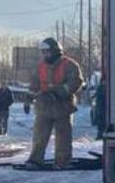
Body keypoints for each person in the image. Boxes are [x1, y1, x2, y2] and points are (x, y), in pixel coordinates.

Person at [29, 37, 82, 168]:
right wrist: (28, 98)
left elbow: (75, 82)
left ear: (56, 51)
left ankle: (62, 162)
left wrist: (59, 91)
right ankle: (35, 160)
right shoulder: (40, 67)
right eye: (43, 52)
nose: (45, 55)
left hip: (62, 106)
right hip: (44, 106)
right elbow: (34, 85)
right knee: (39, 135)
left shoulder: (69, 65)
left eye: (47, 52)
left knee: (63, 137)